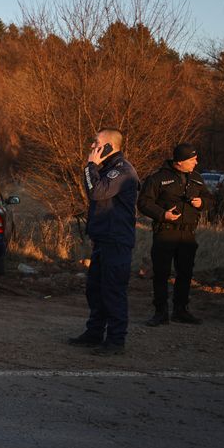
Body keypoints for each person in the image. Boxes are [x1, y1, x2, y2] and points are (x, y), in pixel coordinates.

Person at [68, 128, 140, 356]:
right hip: (103, 240)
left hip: (116, 242)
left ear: (108, 146)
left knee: (112, 291)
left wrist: (90, 166)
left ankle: (116, 341)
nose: (92, 147)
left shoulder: (122, 171)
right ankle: (94, 333)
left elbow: (97, 193)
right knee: (95, 290)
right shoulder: (108, 169)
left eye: (96, 143)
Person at [138, 143, 213, 326]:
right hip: (165, 233)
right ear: (179, 162)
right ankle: (160, 312)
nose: (196, 162)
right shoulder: (157, 179)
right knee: (162, 274)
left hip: (187, 234)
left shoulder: (197, 179)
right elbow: (144, 203)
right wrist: (163, 215)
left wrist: (201, 203)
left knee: (185, 273)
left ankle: (181, 311)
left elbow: (210, 199)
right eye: (192, 159)